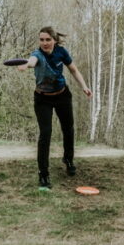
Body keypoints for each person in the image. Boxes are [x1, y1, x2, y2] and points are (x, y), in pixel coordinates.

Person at [16, 27, 92, 190]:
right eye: (41, 40)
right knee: (45, 134)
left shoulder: (61, 52)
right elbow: (32, 62)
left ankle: (68, 159)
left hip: (62, 95)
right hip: (42, 99)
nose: (44, 43)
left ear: (54, 40)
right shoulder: (37, 55)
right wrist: (25, 65)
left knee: (68, 129)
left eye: (48, 40)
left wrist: (84, 86)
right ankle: (43, 174)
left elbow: (73, 70)